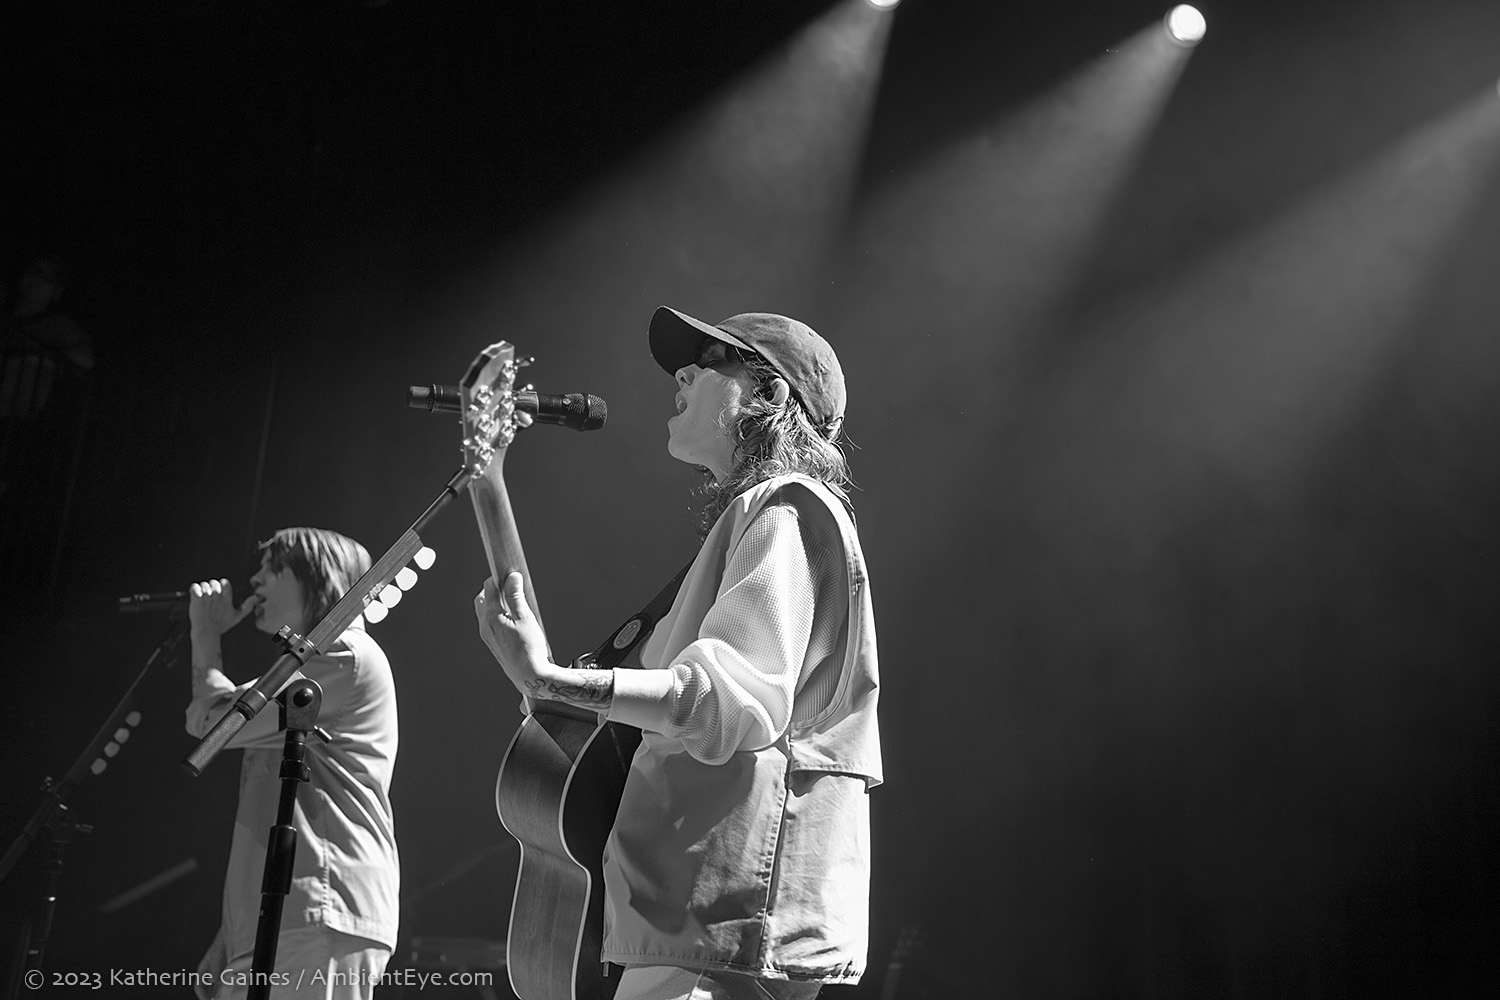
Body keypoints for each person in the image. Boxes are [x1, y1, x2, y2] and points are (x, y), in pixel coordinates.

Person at [475, 307, 882, 1000]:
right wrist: (557, 687)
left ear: (771, 395)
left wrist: (554, 681)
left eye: (711, 359)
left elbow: (732, 705)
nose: (683, 371)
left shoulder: (784, 507)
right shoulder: (756, 519)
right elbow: (644, 715)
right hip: (699, 919)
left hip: (723, 920)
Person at [185, 527, 399, 1000]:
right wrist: (233, 935)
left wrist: (205, 634)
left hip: (321, 905)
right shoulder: (311, 666)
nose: (254, 581)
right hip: (284, 917)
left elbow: (218, 722)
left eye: (271, 567)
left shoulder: (345, 655)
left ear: (314, 576)